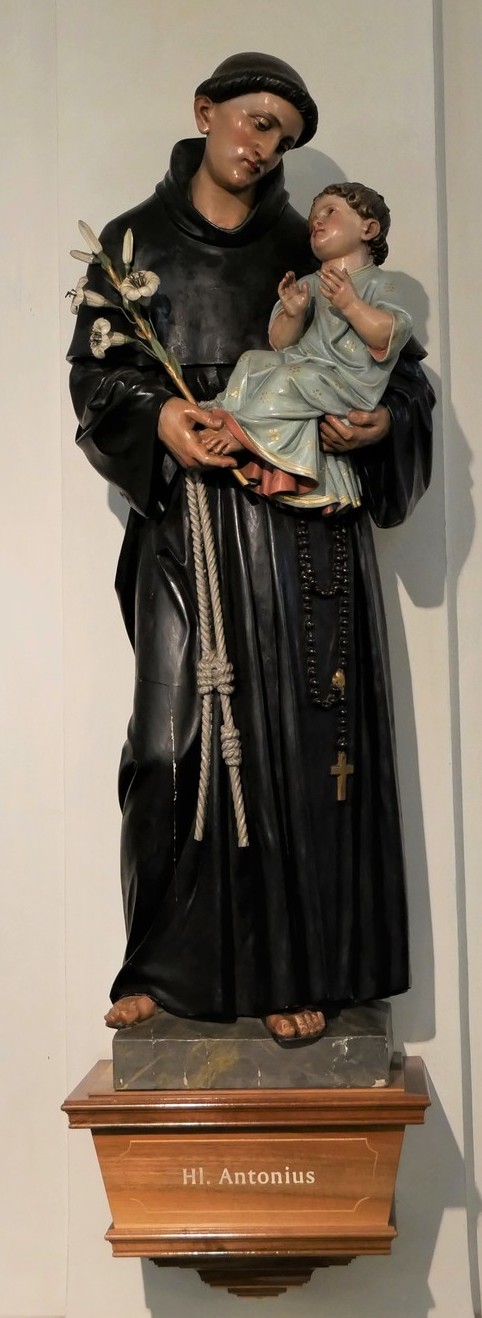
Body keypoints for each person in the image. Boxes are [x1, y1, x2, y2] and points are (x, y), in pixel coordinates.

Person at [68, 52, 434, 1046]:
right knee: (167, 747)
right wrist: (162, 420)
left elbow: (400, 378)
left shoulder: (306, 250)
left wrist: (381, 425)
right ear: (206, 112)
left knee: (300, 754)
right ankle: (162, 966)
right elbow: (96, 383)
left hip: (295, 530)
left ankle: (295, 968)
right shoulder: (131, 245)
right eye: (253, 120)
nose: (264, 145)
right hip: (186, 523)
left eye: (283, 134)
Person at [203, 183, 413, 513]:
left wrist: (351, 305)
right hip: (307, 369)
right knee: (253, 360)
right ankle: (223, 412)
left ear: (368, 229)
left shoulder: (378, 283)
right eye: (314, 217)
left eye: (330, 212)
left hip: (348, 383)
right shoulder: (308, 284)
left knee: (288, 378)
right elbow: (280, 343)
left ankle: (240, 432)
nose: (317, 221)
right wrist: (294, 314)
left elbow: (389, 334)